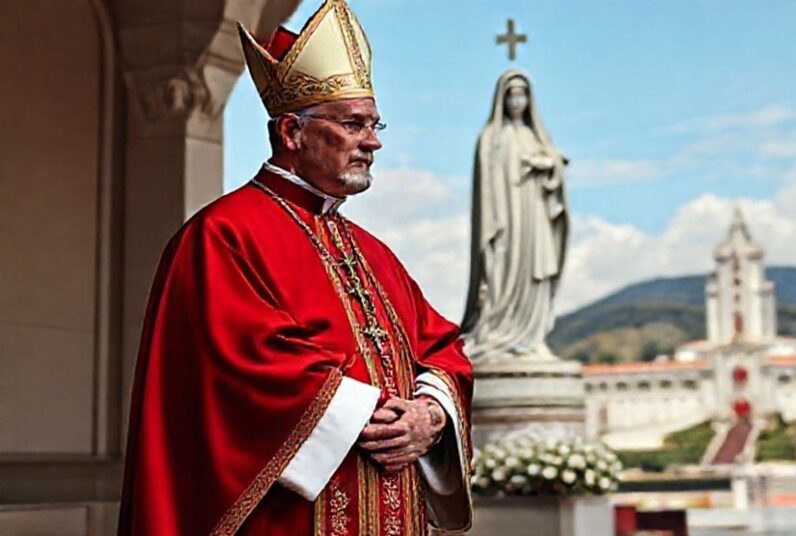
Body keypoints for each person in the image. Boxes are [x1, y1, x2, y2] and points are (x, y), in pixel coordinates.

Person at [116, 1, 472, 534]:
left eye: (375, 125)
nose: (372, 142)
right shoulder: (221, 236)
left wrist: (430, 414)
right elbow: (239, 368)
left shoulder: (374, 252)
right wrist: (372, 412)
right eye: (354, 124)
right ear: (291, 133)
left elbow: (441, 346)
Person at [461, 70, 569, 362]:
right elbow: (487, 186)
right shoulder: (492, 139)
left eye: (522, 94)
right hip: (504, 221)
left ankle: (531, 337)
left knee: (535, 274)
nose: (517, 100)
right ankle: (500, 331)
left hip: (534, 218)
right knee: (503, 275)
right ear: (502, 98)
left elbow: (556, 177)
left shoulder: (538, 138)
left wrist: (549, 166)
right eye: (512, 94)